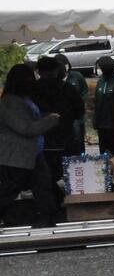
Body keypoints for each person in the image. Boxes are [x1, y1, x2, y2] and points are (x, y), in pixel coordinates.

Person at [0, 64, 60, 227]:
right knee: (10, 190)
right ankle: (48, 216)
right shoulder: (9, 102)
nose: (33, 80)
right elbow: (25, 128)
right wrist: (50, 120)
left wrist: (45, 117)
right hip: (16, 157)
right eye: (30, 77)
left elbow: (32, 119)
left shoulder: (22, 99)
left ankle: (49, 217)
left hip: (32, 154)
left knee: (43, 186)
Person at [32, 56, 85, 203]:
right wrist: (64, 118)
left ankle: (50, 201)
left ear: (38, 71)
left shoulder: (32, 89)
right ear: (56, 70)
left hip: (40, 138)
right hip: (65, 136)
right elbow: (79, 110)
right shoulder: (67, 88)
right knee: (68, 172)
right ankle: (68, 200)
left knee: (43, 174)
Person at [55, 53, 87, 155]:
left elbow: (84, 91)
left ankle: (80, 155)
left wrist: (81, 102)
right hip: (61, 115)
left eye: (65, 64)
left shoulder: (76, 76)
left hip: (76, 114)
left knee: (78, 137)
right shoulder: (55, 80)